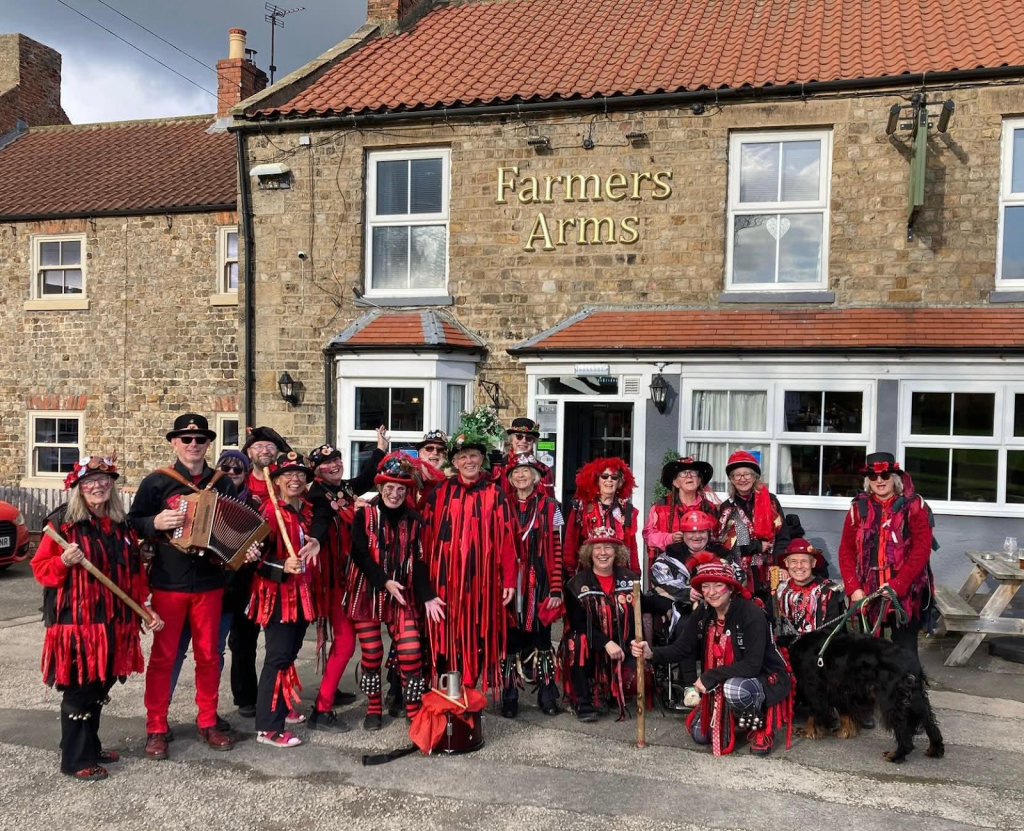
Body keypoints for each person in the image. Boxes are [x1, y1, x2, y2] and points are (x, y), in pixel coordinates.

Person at [33, 455, 164, 781]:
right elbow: (41, 570)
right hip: (78, 624)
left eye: (104, 480)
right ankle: (76, 759)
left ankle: (88, 745)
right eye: (90, 481)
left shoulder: (120, 525)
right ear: (79, 488)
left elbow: (134, 573)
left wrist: (145, 606)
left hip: (115, 622)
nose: (98, 486)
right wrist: (63, 561)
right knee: (80, 689)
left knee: (101, 684)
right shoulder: (62, 525)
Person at [129, 413, 237, 759]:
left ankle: (207, 720)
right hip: (168, 581)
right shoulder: (157, 482)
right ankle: (156, 726)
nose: (193, 444)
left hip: (209, 582)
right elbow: (132, 522)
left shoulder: (223, 483)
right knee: (163, 657)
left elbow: (235, 527)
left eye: (200, 439)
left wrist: (243, 547)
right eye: (186, 439)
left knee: (209, 656)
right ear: (174, 443)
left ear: (208, 444)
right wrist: (156, 521)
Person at [631, 552, 793, 757]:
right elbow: (683, 647)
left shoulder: (751, 613)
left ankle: (760, 727)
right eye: (706, 586)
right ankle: (736, 718)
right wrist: (651, 653)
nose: (712, 592)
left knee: (735, 689)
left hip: (762, 677)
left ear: (731, 588)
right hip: (722, 681)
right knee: (700, 735)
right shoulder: (704, 610)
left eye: (718, 585)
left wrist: (709, 676)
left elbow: (752, 665)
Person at [344, 453, 443, 729]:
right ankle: (374, 707)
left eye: (401, 488)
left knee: (411, 652)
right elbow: (360, 555)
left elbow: (419, 562)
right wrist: (383, 580)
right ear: (380, 487)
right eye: (389, 487)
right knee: (372, 653)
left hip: (401, 591)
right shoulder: (364, 514)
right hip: (367, 591)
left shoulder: (415, 520)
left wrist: (428, 596)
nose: (395, 493)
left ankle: (413, 708)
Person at [421, 428, 518, 692]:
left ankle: (469, 694)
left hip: (482, 583)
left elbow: (507, 539)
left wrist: (510, 579)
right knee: (446, 635)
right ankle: (446, 693)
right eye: (463, 457)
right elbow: (424, 535)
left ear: (482, 459)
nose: (469, 461)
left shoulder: (495, 493)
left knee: (477, 635)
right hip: (445, 581)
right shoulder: (440, 492)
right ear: (454, 462)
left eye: (474, 455)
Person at [305, 438, 386, 732]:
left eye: (337, 459)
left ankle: (330, 690)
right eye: (327, 463)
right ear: (317, 470)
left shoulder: (344, 488)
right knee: (346, 644)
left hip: (352, 577)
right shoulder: (318, 494)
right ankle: (321, 710)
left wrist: (380, 449)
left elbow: (365, 478)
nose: (334, 465)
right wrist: (316, 540)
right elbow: (321, 520)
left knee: (348, 644)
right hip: (336, 582)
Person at [168, 449, 254, 714]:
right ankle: (161, 710)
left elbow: (256, 546)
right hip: (186, 584)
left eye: (237, 469)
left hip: (227, 593)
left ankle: (208, 712)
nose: (231, 473)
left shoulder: (254, 505)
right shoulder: (199, 498)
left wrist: (252, 553)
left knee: (213, 653)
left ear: (246, 474)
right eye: (225, 468)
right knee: (175, 651)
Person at [249, 451, 321, 748]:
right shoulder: (269, 511)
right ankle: (268, 727)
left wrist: (316, 543)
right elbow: (251, 559)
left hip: (302, 595)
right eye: (288, 475)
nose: (295, 479)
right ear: (276, 481)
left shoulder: (304, 510)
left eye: (300, 474)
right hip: (277, 596)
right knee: (277, 657)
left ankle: (282, 706)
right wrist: (281, 565)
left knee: (290, 653)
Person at [837, 452, 934, 662]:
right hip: (868, 592)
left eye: (885, 475)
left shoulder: (914, 507)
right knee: (868, 654)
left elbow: (921, 550)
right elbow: (846, 550)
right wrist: (853, 588)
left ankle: (910, 683)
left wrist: (898, 585)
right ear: (868, 481)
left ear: (895, 478)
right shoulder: (858, 509)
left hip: (905, 593)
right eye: (873, 477)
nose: (879, 481)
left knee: (906, 654)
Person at [562, 527, 663, 722]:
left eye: (608, 547)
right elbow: (578, 624)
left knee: (639, 682)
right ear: (589, 553)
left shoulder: (629, 579)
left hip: (623, 647)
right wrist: (606, 643)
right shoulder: (576, 584)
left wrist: (673, 602)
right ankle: (583, 701)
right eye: (597, 548)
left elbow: (644, 604)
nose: (603, 553)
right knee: (576, 641)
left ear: (616, 552)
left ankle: (610, 692)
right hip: (592, 649)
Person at [501, 453, 564, 719]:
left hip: (540, 581)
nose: (520, 476)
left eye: (525, 471)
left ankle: (547, 694)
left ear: (535, 476)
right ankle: (509, 696)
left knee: (542, 638)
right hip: (510, 582)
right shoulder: (502, 505)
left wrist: (556, 587)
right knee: (511, 639)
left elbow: (557, 548)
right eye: (515, 472)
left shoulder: (551, 506)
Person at [716, 450, 790, 602]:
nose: (742, 479)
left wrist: (780, 564)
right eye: (737, 475)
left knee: (772, 609)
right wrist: (757, 546)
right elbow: (727, 545)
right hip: (741, 572)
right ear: (731, 479)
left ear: (755, 476)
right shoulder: (728, 508)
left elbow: (782, 536)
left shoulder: (771, 502)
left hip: (771, 566)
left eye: (747, 474)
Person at [564, 457, 640, 576]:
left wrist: (635, 572)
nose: (609, 480)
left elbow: (632, 545)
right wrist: (569, 570)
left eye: (614, 477)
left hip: (618, 573)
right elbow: (570, 540)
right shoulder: (581, 507)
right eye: (604, 476)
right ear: (597, 480)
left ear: (619, 482)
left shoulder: (626, 509)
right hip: (587, 572)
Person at [643, 456, 719, 562]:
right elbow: (649, 536)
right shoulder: (660, 507)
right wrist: (669, 538)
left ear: (699, 480)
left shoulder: (710, 508)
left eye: (693, 472)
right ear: (675, 482)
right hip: (668, 566)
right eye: (683, 473)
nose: (689, 476)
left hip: (702, 565)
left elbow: (718, 537)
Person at [774, 538, 845, 637]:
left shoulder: (828, 592)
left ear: (813, 563)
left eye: (804, 561)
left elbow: (834, 632)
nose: (799, 566)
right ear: (786, 563)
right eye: (793, 561)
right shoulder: (779, 590)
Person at [494, 418, 554, 498]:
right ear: (511, 440)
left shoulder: (544, 470)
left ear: (533, 441)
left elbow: (549, 501)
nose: (524, 440)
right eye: (519, 436)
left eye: (528, 438)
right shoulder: (499, 467)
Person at [241, 425, 292, 506]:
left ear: (277, 452)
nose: (265, 451)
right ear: (249, 452)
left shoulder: (289, 480)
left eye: (271, 447)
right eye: (259, 447)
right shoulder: (240, 482)